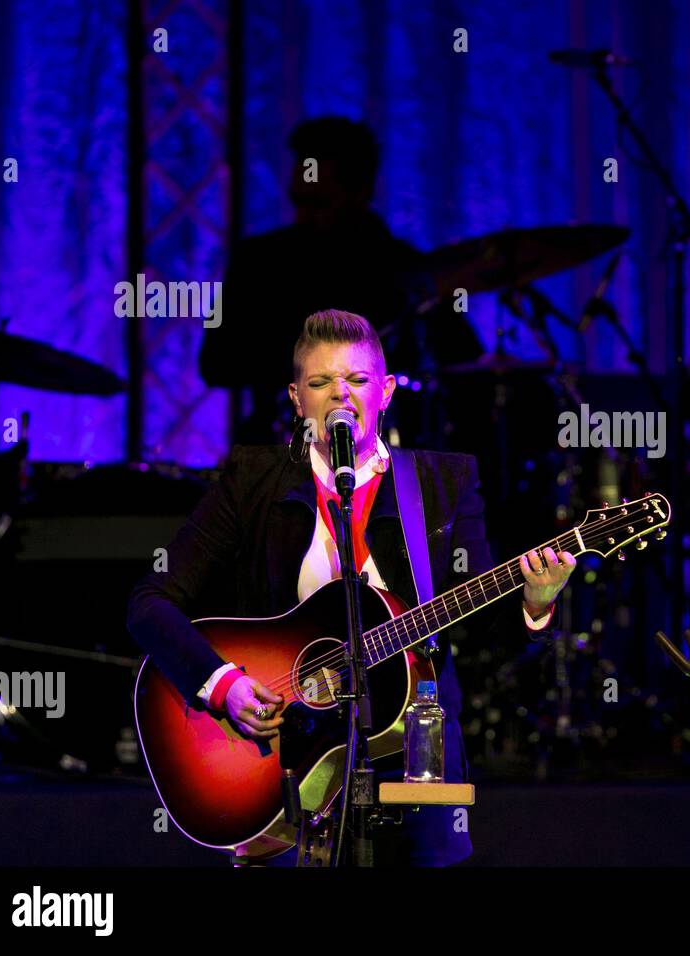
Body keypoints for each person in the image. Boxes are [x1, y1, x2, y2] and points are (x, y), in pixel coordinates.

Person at [129, 309, 575, 865]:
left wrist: (535, 603)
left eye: (358, 380)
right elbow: (149, 604)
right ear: (296, 398)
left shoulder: (443, 482)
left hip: (412, 755)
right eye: (320, 383)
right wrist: (223, 686)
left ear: (386, 391)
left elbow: (481, 622)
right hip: (283, 761)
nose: (340, 395)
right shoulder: (252, 480)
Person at [199, 117, 483, 446]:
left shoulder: (403, 267)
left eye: (318, 203)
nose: (302, 217)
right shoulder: (260, 260)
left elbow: (463, 361)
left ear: (361, 193)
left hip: (388, 453)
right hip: (283, 453)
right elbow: (215, 363)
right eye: (298, 201)